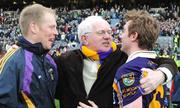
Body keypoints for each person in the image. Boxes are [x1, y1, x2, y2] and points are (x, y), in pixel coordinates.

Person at [54, 15, 178, 108]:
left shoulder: (123, 54)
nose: (108, 36)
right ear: (84, 39)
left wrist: (161, 74)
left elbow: (166, 62)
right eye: (101, 33)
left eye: (109, 32)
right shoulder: (65, 60)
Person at [0, 4, 58, 108]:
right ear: (34, 27)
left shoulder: (49, 60)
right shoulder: (14, 62)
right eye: (51, 27)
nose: (56, 32)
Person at [113, 10, 173, 108]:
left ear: (133, 36)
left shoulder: (129, 69)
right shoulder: (157, 66)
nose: (121, 36)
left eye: (123, 31)